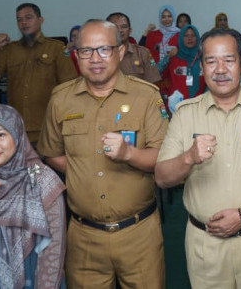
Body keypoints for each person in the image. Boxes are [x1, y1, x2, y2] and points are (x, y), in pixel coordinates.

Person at [155, 28, 241, 289]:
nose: (220, 69)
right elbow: (162, 178)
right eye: (211, 61)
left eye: (229, 60)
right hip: (205, 244)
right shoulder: (185, 114)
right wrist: (188, 157)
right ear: (201, 66)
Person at [38, 19, 168, 288]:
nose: (95, 58)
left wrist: (129, 155)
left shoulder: (146, 97)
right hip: (84, 238)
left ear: (120, 52)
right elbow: (51, 153)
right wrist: (81, 170)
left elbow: (162, 158)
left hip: (139, 233)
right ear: (76, 55)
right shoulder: (61, 99)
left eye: (105, 49)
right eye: (86, 51)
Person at [0, 105, 66, 289]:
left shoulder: (42, 181)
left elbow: (54, 252)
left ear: (18, 135)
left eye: (1, 134)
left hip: (32, 278)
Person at [0, 3, 77, 145]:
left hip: (48, 127)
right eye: (19, 19)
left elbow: (69, 88)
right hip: (16, 128)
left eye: (28, 17)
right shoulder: (10, 50)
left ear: (40, 20)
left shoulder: (56, 48)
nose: (24, 23)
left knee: (49, 166)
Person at [107, 12, 161, 84]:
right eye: (115, 27)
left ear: (130, 31)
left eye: (124, 26)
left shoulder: (144, 53)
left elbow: (154, 84)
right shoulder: (99, 55)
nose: (120, 30)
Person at [161, 24, 204, 111]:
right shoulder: (173, 57)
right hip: (176, 109)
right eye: (186, 36)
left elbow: (210, 83)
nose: (190, 38)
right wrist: (168, 57)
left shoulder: (203, 58)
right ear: (181, 38)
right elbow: (155, 72)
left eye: (193, 35)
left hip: (199, 108)